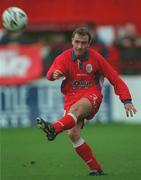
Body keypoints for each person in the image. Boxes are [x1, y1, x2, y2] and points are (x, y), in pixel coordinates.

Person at [36, 27, 137, 176]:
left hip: (92, 95)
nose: (79, 46)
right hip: (71, 97)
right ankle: (96, 168)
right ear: (72, 41)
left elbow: (115, 78)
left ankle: (54, 128)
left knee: (76, 110)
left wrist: (126, 100)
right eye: (77, 42)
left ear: (89, 44)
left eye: (83, 43)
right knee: (73, 134)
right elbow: (50, 73)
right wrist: (54, 74)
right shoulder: (64, 57)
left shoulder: (97, 58)